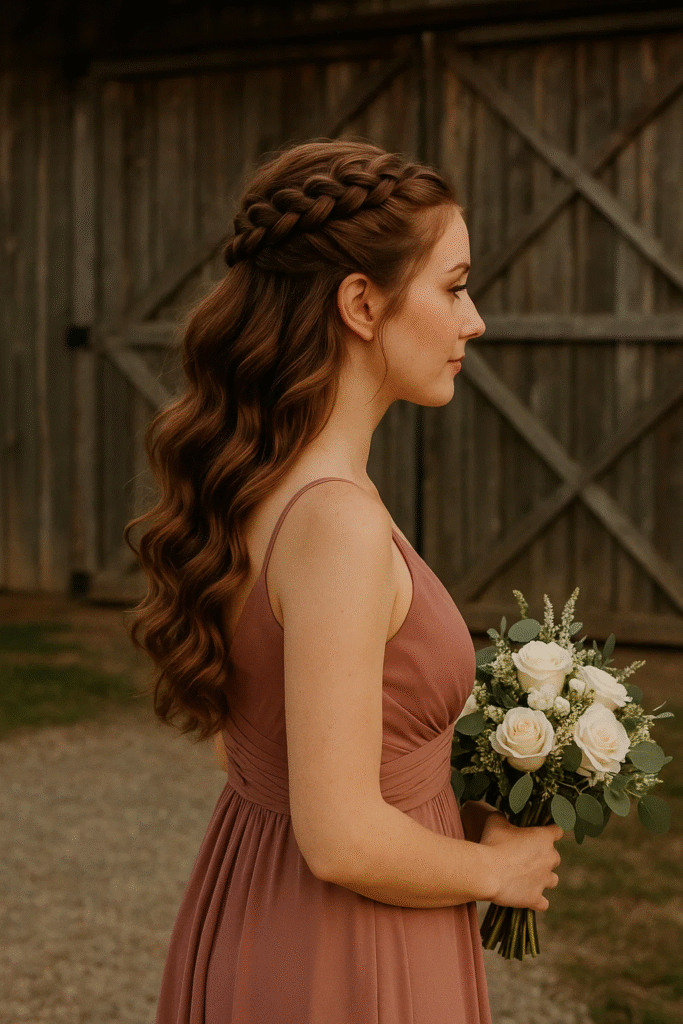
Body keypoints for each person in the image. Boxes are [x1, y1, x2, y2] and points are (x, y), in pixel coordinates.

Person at [124, 138, 564, 1024]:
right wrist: (497, 871)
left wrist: (446, 802)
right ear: (361, 302)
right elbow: (340, 840)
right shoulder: (337, 524)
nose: (472, 320)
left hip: (254, 893)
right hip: (342, 950)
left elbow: (252, 741)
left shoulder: (260, 485)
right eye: (452, 286)